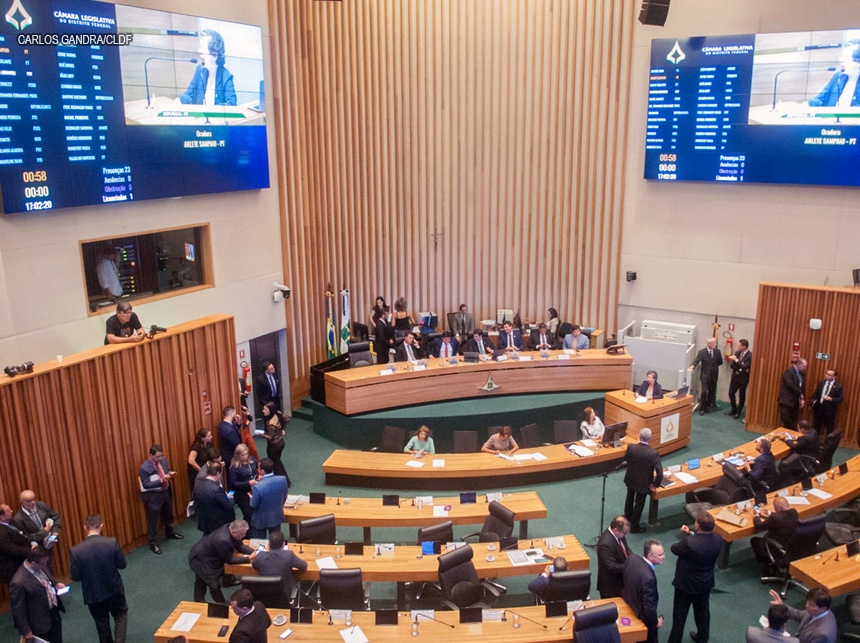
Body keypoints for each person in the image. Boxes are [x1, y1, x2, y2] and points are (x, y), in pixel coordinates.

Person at [70, 514, 128, 643]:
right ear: (101, 526)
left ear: (85, 527)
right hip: (114, 589)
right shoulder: (112, 542)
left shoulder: (76, 551)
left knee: (101, 623)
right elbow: (122, 565)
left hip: (93, 594)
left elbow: (75, 577)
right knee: (120, 615)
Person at [666, 512, 723, 643]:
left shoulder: (689, 543)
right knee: (702, 611)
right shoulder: (718, 539)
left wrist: (688, 536)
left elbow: (674, 549)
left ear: (697, 524)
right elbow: (702, 541)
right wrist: (691, 533)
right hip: (705, 583)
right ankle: (702, 637)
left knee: (680, 615)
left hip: (686, 585)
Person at [188, 520, 257, 604]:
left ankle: (199, 599)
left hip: (208, 555)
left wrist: (254, 552)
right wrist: (248, 558)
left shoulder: (231, 529)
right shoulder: (223, 540)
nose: (244, 536)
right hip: (201, 560)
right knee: (214, 585)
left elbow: (239, 545)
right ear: (234, 532)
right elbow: (230, 560)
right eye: (242, 534)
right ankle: (222, 604)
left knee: (201, 579)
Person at [10, 546, 65, 643]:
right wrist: (26, 631)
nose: (45, 565)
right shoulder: (18, 582)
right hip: (39, 624)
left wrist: (55, 584)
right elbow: (18, 610)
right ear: (33, 563)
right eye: (43, 564)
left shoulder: (40, 564)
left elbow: (46, 578)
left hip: (53, 614)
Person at [138, 444, 184, 554]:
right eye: (157, 457)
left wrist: (170, 474)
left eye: (161, 456)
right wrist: (161, 480)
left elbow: (166, 470)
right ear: (150, 455)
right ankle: (153, 542)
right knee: (153, 520)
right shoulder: (144, 467)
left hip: (166, 492)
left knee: (168, 514)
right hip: (154, 496)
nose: (160, 458)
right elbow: (145, 484)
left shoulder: (163, 460)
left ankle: (170, 532)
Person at [179, 29, 237, 106]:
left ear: (215, 56)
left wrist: (211, 110)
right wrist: (179, 101)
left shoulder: (226, 77)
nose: (199, 51)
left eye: (203, 47)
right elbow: (189, 95)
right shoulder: (200, 70)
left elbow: (232, 103)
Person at [622, 539, 665, 643]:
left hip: (629, 602)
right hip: (642, 616)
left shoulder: (632, 559)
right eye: (660, 555)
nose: (664, 557)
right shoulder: (649, 578)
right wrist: (655, 622)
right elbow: (649, 607)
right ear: (650, 556)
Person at [623, 428, 663, 533]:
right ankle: (634, 527)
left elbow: (627, 459)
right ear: (650, 438)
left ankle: (626, 520)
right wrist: (655, 484)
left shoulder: (631, 447)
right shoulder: (653, 453)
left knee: (629, 498)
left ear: (639, 436)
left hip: (631, 478)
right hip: (644, 482)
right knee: (639, 503)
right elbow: (660, 472)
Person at [251, 530, 307, 604]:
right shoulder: (288, 555)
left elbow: (254, 565)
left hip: (263, 595)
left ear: (269, 544)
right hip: (284, 596)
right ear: (283, 544)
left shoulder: (260, 556)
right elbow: (304, 566)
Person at [768, 587, 837, 643]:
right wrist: (781, 605)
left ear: (823, 608)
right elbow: (798, 615)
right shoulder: (818, 612)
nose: (806, 606)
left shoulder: (822, 635)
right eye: (807, 602)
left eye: (811, 605)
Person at [751, 496, 799, 575]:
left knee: (754, 540)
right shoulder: (794, 512)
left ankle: (766, 563)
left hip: (776, 547)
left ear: (779, 509)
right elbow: (782, 517)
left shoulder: (775, 518)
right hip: (789, 544)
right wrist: (770, 513)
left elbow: (759, 526)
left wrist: (756, 516)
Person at [193, 462, 236, 536]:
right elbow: (228, 505)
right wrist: (231, 498)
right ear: (217, 473)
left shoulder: (198, 484)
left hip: (205, 519)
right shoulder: (216, 489)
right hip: (218, 522)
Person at [249, 458, 288, 538]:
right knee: (276, 540)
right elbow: (284, 497)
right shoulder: (282, 479)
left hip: (261, 519)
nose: (257, 469)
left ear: (262, 471)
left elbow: (254, 505)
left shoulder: (258, 487)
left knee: (258, 542)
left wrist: (251, 498)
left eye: (258, 468)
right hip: (276, 516)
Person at [596, 515, 631, 598]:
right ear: (615, 530)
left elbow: (626, 549)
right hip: (610, 587)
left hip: (621, 581)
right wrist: (630, 567)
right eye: (624, 533)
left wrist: (633, 559)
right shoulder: (605, 544)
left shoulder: (619, 534)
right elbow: (612, 566)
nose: (625, 535)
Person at [0, 503, 33, 586]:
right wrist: (30, 551)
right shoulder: (1, 532)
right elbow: (11, 549)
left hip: (25, 560)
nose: (12, 511)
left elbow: (23, 533)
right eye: (8, 511)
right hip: (14, 566)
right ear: (2, 517)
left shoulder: (11, 521)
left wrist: (32, 542)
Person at [689, 337, 723, 415]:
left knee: (711, 391)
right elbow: (696, 361)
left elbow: (720, 362)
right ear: (709, 344)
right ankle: (702, 408)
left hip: (714, 375)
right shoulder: (702, 352)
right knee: (704, 391)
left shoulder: (717, 352)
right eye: (714, 343)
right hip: (705, 376)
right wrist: (692, 366)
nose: (715, 345)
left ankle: (708, 406)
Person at [229, 444, 259, 523]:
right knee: (248, 514)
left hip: (254, 489)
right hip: (241, 493)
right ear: (237, 455)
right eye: (243, 455)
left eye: (246, 454)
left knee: (256, 510)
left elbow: (258, 467)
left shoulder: (252, 459)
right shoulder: (234, 467)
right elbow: (233, 483)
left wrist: (259, 476)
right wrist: (248, 483)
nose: (245, 456)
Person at [810, 369, 843, 435]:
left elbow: (840, 399)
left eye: (829, 375)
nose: (826, 375)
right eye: (826, 374)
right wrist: (812, 402)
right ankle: (815, 440)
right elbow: (816, 393)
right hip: (819, 408)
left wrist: (831, 399)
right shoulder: (821, 383)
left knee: (829, 428)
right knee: (816, 426)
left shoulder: (838, 386)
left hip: (829, 410)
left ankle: (828, 441)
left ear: (834, 377)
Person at [261, 401, 289, 479]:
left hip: (274, 446)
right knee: (278, 461)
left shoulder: (271, 424)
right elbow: (287, 419)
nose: (263, 411)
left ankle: (281, 481)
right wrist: (283, 429)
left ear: (270, 410)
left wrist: (262, 435)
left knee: (275, 465)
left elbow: (270, 437)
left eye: (265, 409)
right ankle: (285, 480)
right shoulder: (278, 413)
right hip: (281, 442)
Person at [778, 358, 807, 430]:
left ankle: (789, 435)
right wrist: (800, 393)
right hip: (786, 401)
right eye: (804, 366)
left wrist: (803, 398)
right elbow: (790, 384)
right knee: (786, 420)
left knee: (793, 420)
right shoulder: (789, 371)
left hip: (795, 402)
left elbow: (803, 386)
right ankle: (793, 431)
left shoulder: (802, 373)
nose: (805, 368)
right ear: (798, 364)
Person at [726, 339, 752, 419]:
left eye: (740, 345)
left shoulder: (750, 355)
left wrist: (737, 360)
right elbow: (732, 365)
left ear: (744, 346)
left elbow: (745, 366)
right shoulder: (737, 353)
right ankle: (733, 409)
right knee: (731, 393)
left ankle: (739, 411)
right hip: (735, 377)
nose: (738, 346)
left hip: (743, 379)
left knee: (742, 395)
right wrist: (740, 368)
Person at [218, 406, 243, 477]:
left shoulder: (222, 425)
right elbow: (236, 444)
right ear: (232, 414)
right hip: (232, 457)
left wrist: (238, 423)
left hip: (226, 454)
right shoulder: (229, 430)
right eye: (235, 413)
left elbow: (233, 431)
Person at [187, 429, 213, 493]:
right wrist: (201, 471)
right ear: (203, 438)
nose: (211, 437)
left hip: (205, 471)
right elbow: (191, 460)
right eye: (208, 436)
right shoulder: (197, 446)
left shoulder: (209, 445)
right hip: (196, 472)